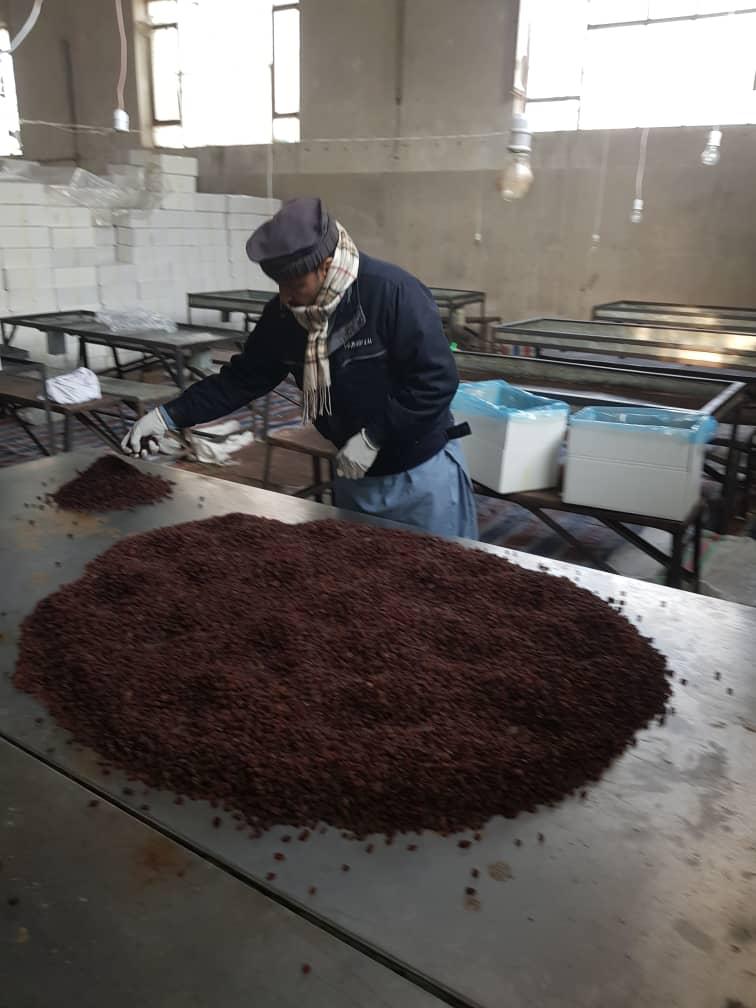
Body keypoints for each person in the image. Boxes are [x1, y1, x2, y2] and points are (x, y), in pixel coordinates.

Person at [122, 197, 478, 540]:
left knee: (435, 585)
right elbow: (243, 379)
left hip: (419, 474)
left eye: (296, 284)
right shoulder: (284, 316)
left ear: (326, 264)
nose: (287, 296)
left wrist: (375, 436)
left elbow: (437, 381)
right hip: (354, 474)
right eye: (279, 285)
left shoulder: (392, 293)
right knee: (367, 583)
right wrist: (167, 416)